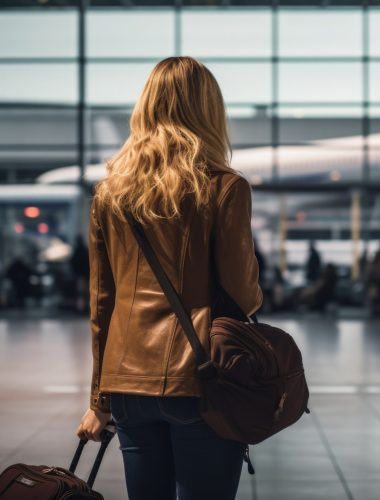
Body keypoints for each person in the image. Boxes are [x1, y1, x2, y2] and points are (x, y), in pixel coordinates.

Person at [76, 57, 263, 500]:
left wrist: (98, 401)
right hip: (199, 380)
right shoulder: (223, 186)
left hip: (126, 383)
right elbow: (243, 295)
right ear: (209, 111)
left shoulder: (110, 193)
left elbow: (102, 305)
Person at [70, 235, 90, 313]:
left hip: (80, 275)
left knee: (81, 293)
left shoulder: (77, 251)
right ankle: (84, 308)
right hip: (85, 274)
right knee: (84, 293)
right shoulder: (85, 250)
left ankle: (81, 308)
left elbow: (73, 262)